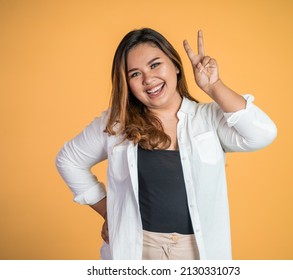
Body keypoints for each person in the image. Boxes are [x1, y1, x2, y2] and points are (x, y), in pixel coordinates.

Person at [56, 27, 277, 260]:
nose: (148, 79)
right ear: (127, 83)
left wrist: (214, 86)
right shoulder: (117, 124)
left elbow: (262, 134)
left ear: (176, 65)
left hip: (198, 252)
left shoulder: (209, 118)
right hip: (138, 249)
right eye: (135, 74)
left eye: (154, 65)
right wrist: (109, 211)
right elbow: (68, 160)